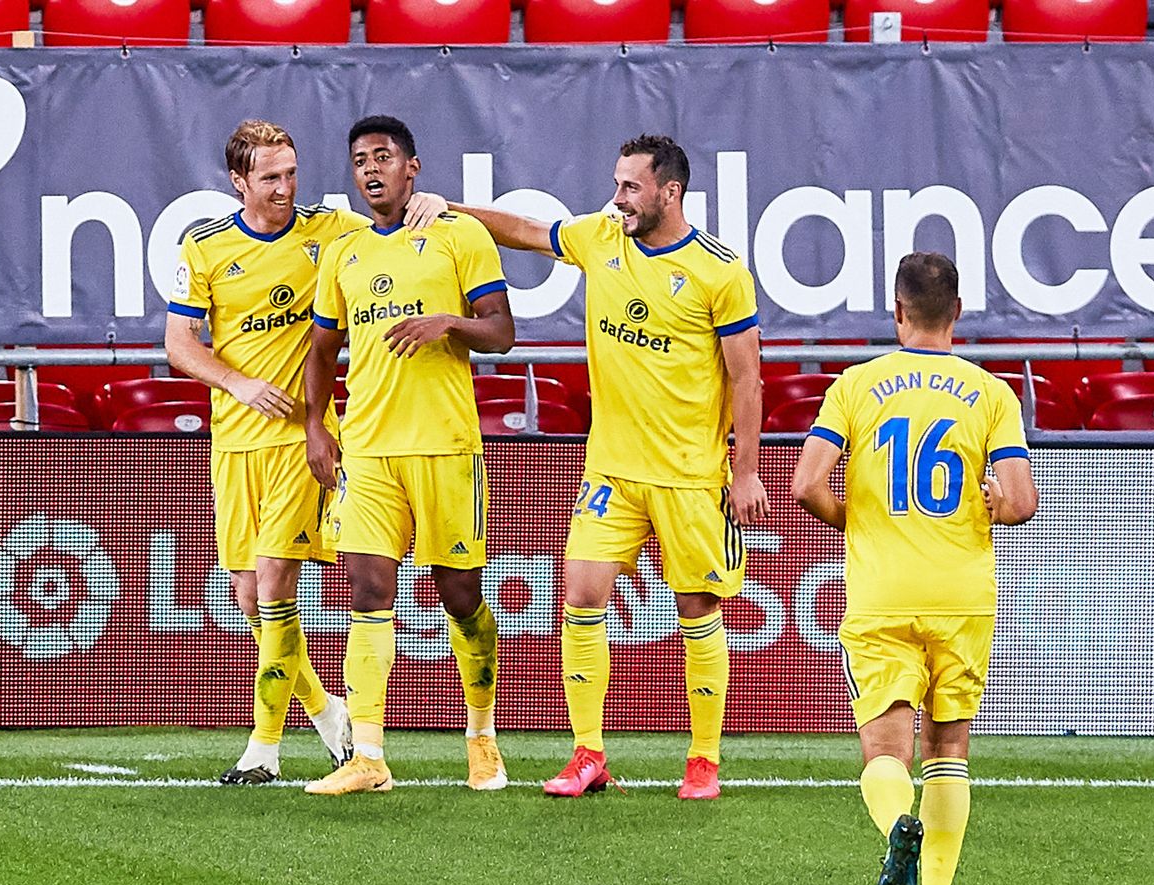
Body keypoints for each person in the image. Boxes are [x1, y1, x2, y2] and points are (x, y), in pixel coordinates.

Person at [448, 134, 767, 801]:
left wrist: (746, 470)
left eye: (630, 187)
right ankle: (588, 754)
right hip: (611, 472)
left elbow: (747, 379)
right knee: (580, 597)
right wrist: (444, 208)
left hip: (689, 475)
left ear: (668, 193)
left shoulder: (720, 270)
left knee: (697, 609)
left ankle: (703, 761)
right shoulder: (601, 236)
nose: (616, 197)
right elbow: (530, 230)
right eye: (617, 183)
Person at [164, 119, 441, 785]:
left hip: (299, 440)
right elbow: (179, 344)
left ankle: (262, 749)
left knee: (271, 585)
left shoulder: (331, 230)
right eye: (270, 177)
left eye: (291, 172)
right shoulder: (203, 247)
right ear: (238, 182)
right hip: (233, 442)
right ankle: (323, 710)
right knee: (247, 598)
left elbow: (394, 215)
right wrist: (238, 383)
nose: (287, 186)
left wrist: (432, 205)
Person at [791, 252, 1039, 885]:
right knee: (948, 750)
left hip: (882, 592)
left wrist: (859, 520)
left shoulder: (856, 385)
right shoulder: (992, 393)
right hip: (961, 595)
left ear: (896, 311)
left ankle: (900, 825)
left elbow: (807, 485)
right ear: (956, 313)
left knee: (885, 751)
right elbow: (1020, 501)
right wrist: (993, 501)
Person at [301, 115, 515, 796]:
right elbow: (322, 348)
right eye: (360, 159)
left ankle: (481, 736)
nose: (371, 170)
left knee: (460, 596)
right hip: (367, 448)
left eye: (384, 157)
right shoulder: (344, 252)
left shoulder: (459, 235)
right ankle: (367, 755)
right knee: (368, 591)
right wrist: (316, 424)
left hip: (446, 447)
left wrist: (450, 322)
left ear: (411, 168)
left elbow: (502, 333)